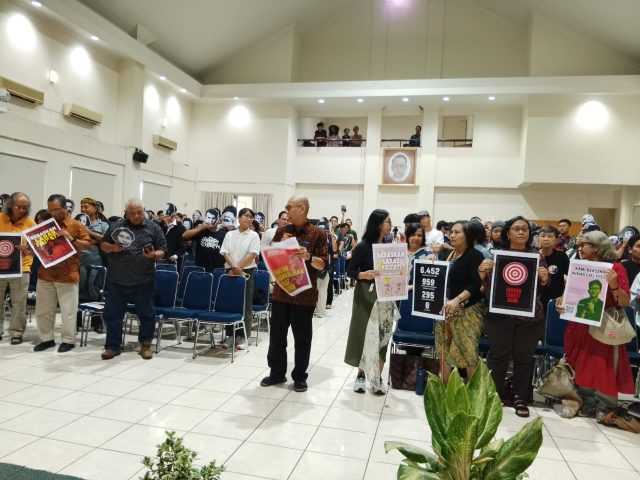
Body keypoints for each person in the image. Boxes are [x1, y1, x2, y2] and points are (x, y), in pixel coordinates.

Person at [556, 230, 634, 418]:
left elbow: (624, 302)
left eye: (584, 244)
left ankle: (606, 407)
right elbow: (571, 295)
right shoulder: (580, 266)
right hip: (580, 324)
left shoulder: (616, 268)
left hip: (604, 324)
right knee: (581, 362)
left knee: (603, 364)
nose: (580, 248)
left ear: (597, 247)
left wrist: (614, 284)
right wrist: (563, 304)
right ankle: (586, 403)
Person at [479, 215, 549, 418]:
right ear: (507, 233)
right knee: (497, 356)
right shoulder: (496, 255)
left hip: (530, 317)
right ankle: (494, 394)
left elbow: (544, 287)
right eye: (516, 228)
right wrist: (482, 273)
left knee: (524, 358)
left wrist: (545, 279)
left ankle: (520, 396)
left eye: (525, 229)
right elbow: (487, 287)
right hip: (500, 315)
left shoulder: (537, 256)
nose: (521, 232)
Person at [260, 196, 328, 392]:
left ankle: (299, 376)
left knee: (302, 339)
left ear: (302, 208)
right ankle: (276, 373)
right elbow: (270, 256)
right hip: (281, 293)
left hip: (304, 295)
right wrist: (279, 247)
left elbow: (323, 264)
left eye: (289, 207)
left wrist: (308, 256)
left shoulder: (317, 234)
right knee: (277, 337)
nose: (286, 210)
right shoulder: (282, 231)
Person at [100, 198, 166, 360]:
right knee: (112, 315)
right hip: (117, 280)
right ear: (126, 213)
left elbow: (163, 249)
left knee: (147, 315)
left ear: (144, 211)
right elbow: (103, 245)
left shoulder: (153, 227)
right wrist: (113, 248)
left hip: (144, 280)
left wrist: (153, 255)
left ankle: (145, 346)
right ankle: (113, 346)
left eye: (139, 212)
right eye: (132, 213)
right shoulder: (116, 226)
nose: (136, 216)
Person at [345, 209, 395, 395]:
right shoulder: (363, 246)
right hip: (366, 293)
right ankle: (360, 374)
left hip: (386, 294)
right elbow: (350, 270)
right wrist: (362, 275)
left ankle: (377, 376)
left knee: (383, 334)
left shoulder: (391, 246)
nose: (390, 224)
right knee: (364, 332)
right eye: (388, 221)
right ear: (378, 224)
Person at [34, 194, 92, 353]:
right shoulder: (45, 226)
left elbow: (88, 246)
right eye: (50, 210)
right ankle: (46, 339)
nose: (52, 213)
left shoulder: (76, 225)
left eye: (56, 210)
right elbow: (40, 248)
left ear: (65, 208)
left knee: (68, 312)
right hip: (45, 274)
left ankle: (68, 340)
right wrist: (30, 250)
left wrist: (71, 238)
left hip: (68, 274)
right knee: (43, 311)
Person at [435, 221, 486, 384]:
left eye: (457, 232)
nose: (452, 235)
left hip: (468, 309)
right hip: (445, 309)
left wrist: (457, 300)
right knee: (443, 350)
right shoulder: (448, 254)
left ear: (468, 236)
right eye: (451, 232)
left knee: (468, 352)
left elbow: (476, 284)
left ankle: (473, 392)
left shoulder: (475, 255)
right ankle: (444, 389)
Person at [220, 207, 260, 349]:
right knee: (230, 304)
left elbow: (252, 254)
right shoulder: (230, 234)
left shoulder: (254, 235)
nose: (249, 219)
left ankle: (243, 336)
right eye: (246, 216)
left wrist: (238, 268)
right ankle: (231, 336)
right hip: (230, 271)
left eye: (251, 217)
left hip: (246, 271)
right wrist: (234, 268)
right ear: (239, 217)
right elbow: (225, 252)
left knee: (246, 304)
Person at [0, 192, 36, 344]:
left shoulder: (30, 223)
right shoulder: (0, 218)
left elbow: (37, 248)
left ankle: (16, 333)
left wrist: (28, 250)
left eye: (24, 207)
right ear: (10, 205)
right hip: (1, 268)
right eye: (18, 206)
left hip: (22, 267)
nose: (21, 210)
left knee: (19, 303)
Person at [77, 197, 110, 332]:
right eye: (81, 207)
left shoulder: (103, 225)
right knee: (78, 290)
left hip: (96, 261)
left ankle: (97, 322)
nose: (83, 209)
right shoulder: (77, 223)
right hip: (79, 261)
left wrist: (89, 232)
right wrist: (94, 240)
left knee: (95, 290)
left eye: (86, 206)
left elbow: (106, 239)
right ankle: (77, 322)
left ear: (95, 209)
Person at [183, 208, 227, 273]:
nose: (211, 220)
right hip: (201, 269)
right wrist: (200, 228)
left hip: (217, 270)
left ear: (219, 220)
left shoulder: (224, 234)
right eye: (208, 217)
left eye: (214, 218)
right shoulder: (201, 231)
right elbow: (184, 236)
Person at [538, 225, 569, 309]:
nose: (546, 238)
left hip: (556, 301)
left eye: (550, 236)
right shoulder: (533, 256)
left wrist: (564, 296)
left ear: (556, 240)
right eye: (543, 236)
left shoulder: (562, 256)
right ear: (538, 239)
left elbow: (569, 278)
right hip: (537, 300)